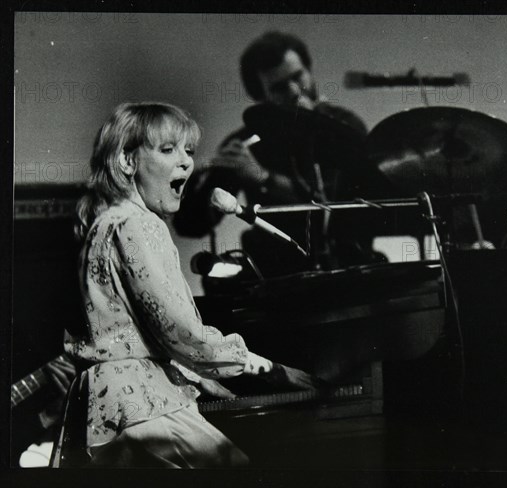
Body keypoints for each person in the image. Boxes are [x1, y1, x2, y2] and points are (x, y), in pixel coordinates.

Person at [55, 102, 319, 468]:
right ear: (126, 162)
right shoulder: (140, 225)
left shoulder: (103, 223)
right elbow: (182, 332)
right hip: (142, 408)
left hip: (104, 410)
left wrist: (204, 380)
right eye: (167, 150)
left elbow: (137, 335)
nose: (186, 163)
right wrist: (273, 371)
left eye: (189, 151)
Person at [174, 31, 380, 277]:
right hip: (276, 277)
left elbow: (330, 205)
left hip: (346, 268)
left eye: (298, 77)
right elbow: (193, 227)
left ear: (309, 70)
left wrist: (263, 177)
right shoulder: (247, 143)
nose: (294, 91)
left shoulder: (344, 127)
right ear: (261, 96)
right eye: (280, 87)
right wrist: (192, 180)